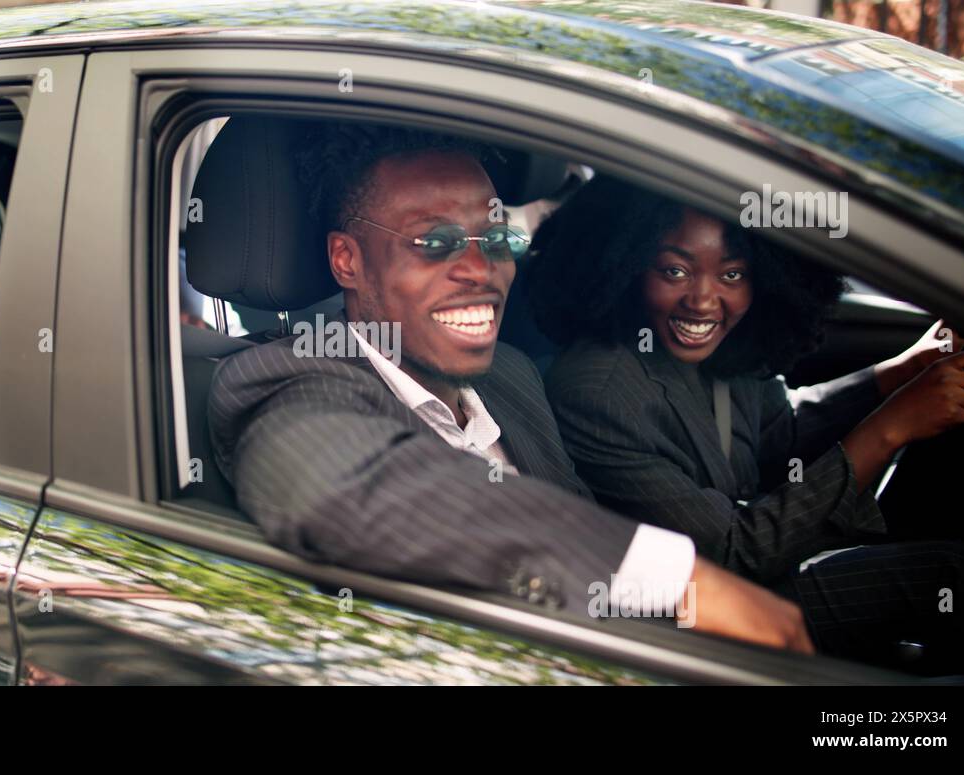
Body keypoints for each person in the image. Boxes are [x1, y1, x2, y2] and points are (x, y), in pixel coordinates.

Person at [209, 124, 814, 654]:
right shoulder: (285, 378)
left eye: (496, 238)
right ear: (347, 260)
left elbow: (576, 529)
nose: (481, 267)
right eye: (435, 241)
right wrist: (680, 582)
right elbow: (354, 488)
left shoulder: (510, 375)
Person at [530, 175, 964, 673]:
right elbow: (732, 554)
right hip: (698, 615)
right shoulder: (597, 393)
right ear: (626, 265)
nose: (704, 301)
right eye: (675, 270)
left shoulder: (725, 348)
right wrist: (890, 429)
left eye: (732, 275)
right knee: (952, 575)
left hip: (755, 557)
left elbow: (779, 438)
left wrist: (894, 376)